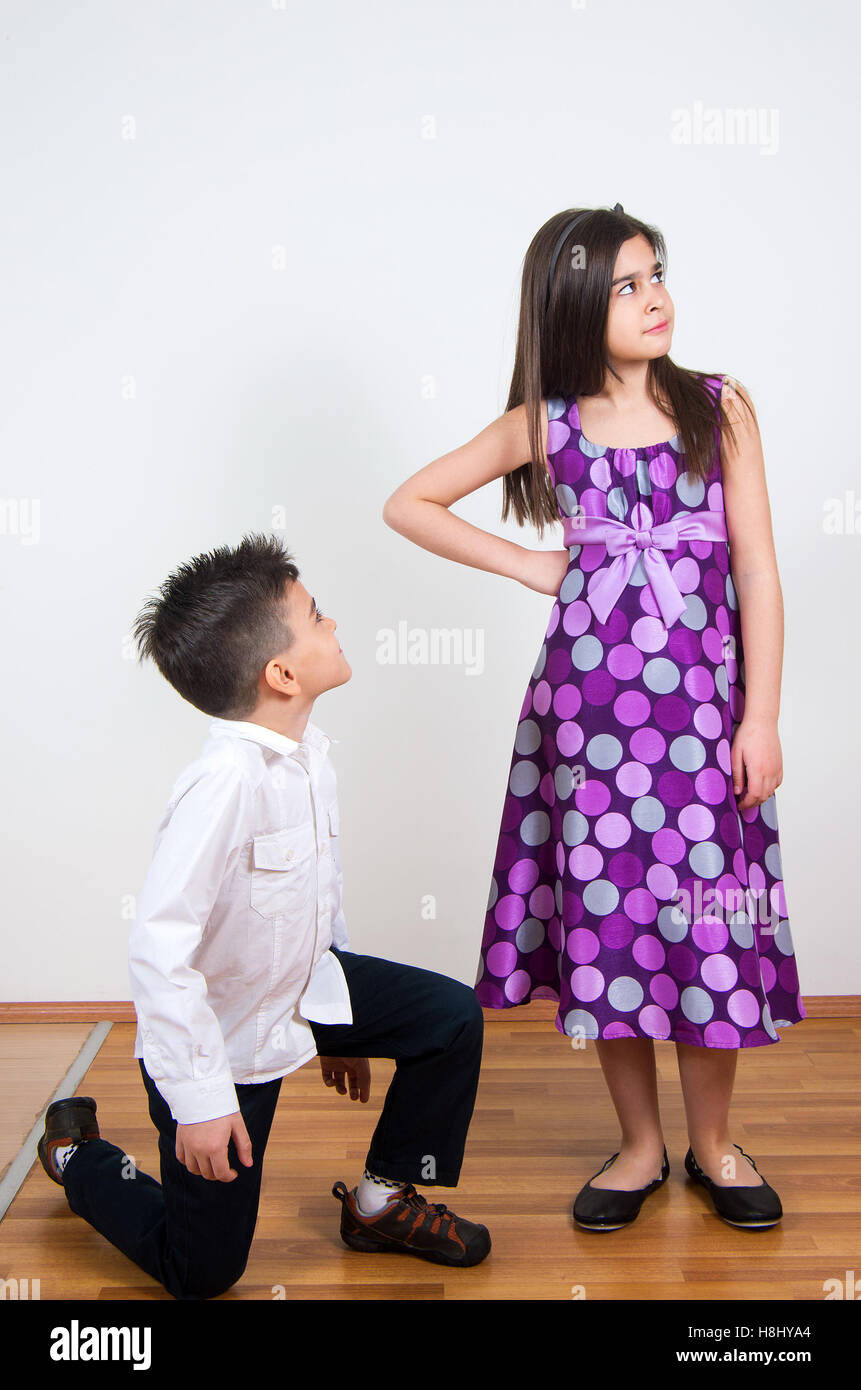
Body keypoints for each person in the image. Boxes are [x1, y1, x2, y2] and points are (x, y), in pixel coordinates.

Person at [382, 203, 805, 1232]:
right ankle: (641, 1145)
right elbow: (411, 501)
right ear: (574, 302)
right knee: (614, 922)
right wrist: (532, 561)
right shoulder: (547, 422)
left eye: (656, 271)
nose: (654, 293)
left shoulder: (719, 407)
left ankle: (713, 1145)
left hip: (706, 717)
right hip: (589, 721)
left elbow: (757, 568)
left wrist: (763, 718)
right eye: (626, 282)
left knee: (705, 921)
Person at [38, 535, 490, 1298]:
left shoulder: (307, 752)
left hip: (304, 987)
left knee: (449, 1018)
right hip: (225, 1046)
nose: (334, 622)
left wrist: (341, 1016)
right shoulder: (223, 785)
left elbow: (315, 888)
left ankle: (380, 1202)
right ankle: (77, 1155)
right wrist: (203, 1104)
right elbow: (157, 950)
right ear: (280, 673)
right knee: (203, 1272)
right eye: (316, 617)